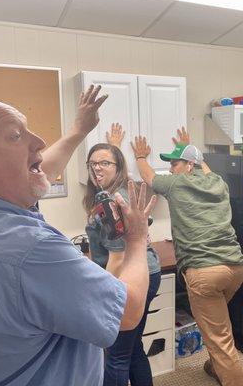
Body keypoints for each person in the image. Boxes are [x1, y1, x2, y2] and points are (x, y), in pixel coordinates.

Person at [0, 86, 155, 385]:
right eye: (16, 136)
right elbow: (128, 311)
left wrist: (79, 130)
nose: (40, 141)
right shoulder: (29, 249)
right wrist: (137, 236)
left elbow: (37, 170)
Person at [131, 128, 243, 386]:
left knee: (220, 340)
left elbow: (149, 177)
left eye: (174, 163)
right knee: (217, 326)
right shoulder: (219, 182)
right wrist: (189, 148)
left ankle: (227, 371)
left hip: (204, 272)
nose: (171, 169)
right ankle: (216, 367)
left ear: (189, 165)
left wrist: (140, 156)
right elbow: (204, 168)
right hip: (235, 268)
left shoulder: (176, 183)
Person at [83, 122, 161, 386]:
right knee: (132, 347)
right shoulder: (111, 194)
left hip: (129, 275)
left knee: (115, 355)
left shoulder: (114, 202)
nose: (97, 168)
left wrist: (99, 295)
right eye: (93, 163)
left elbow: (116, 257)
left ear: (117, 168)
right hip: (143, 271)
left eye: (105, 163)